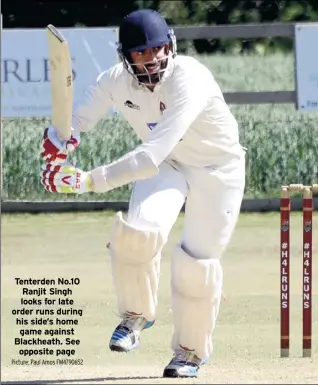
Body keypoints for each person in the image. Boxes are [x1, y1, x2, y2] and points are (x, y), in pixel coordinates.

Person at [40, 8, 246, 378]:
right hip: (169, 167)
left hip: (217, 171)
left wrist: (87, 180)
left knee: (195, 265)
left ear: (171, 46)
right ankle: (135, 316)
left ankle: (190, 351)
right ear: (126, 56)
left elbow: (149, 156)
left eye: (158, 49)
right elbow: (78, 121)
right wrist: (59, 140)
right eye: (141, 53)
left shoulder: (190, 78)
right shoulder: (115, 81)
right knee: (135, 233)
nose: (152, 59)